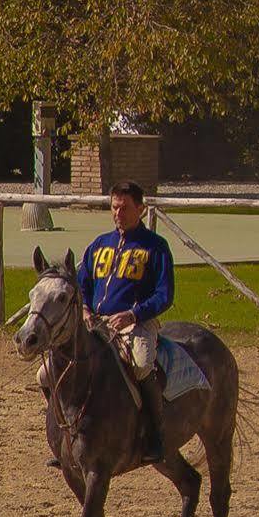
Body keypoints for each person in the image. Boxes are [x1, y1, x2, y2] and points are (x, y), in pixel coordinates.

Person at [78, 180, 176, 460]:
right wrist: (84, 309)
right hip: (94, 322)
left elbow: (164, 295)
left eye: (124, 207)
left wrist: (133, 314)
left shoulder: (155, 247)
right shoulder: (99, 245)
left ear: (141, 209)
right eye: (114, 207)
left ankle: (154, 433)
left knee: (143, 365)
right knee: (49, 372)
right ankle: (67, 432)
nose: (118, 213)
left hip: (136, 323)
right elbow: (81, 283)